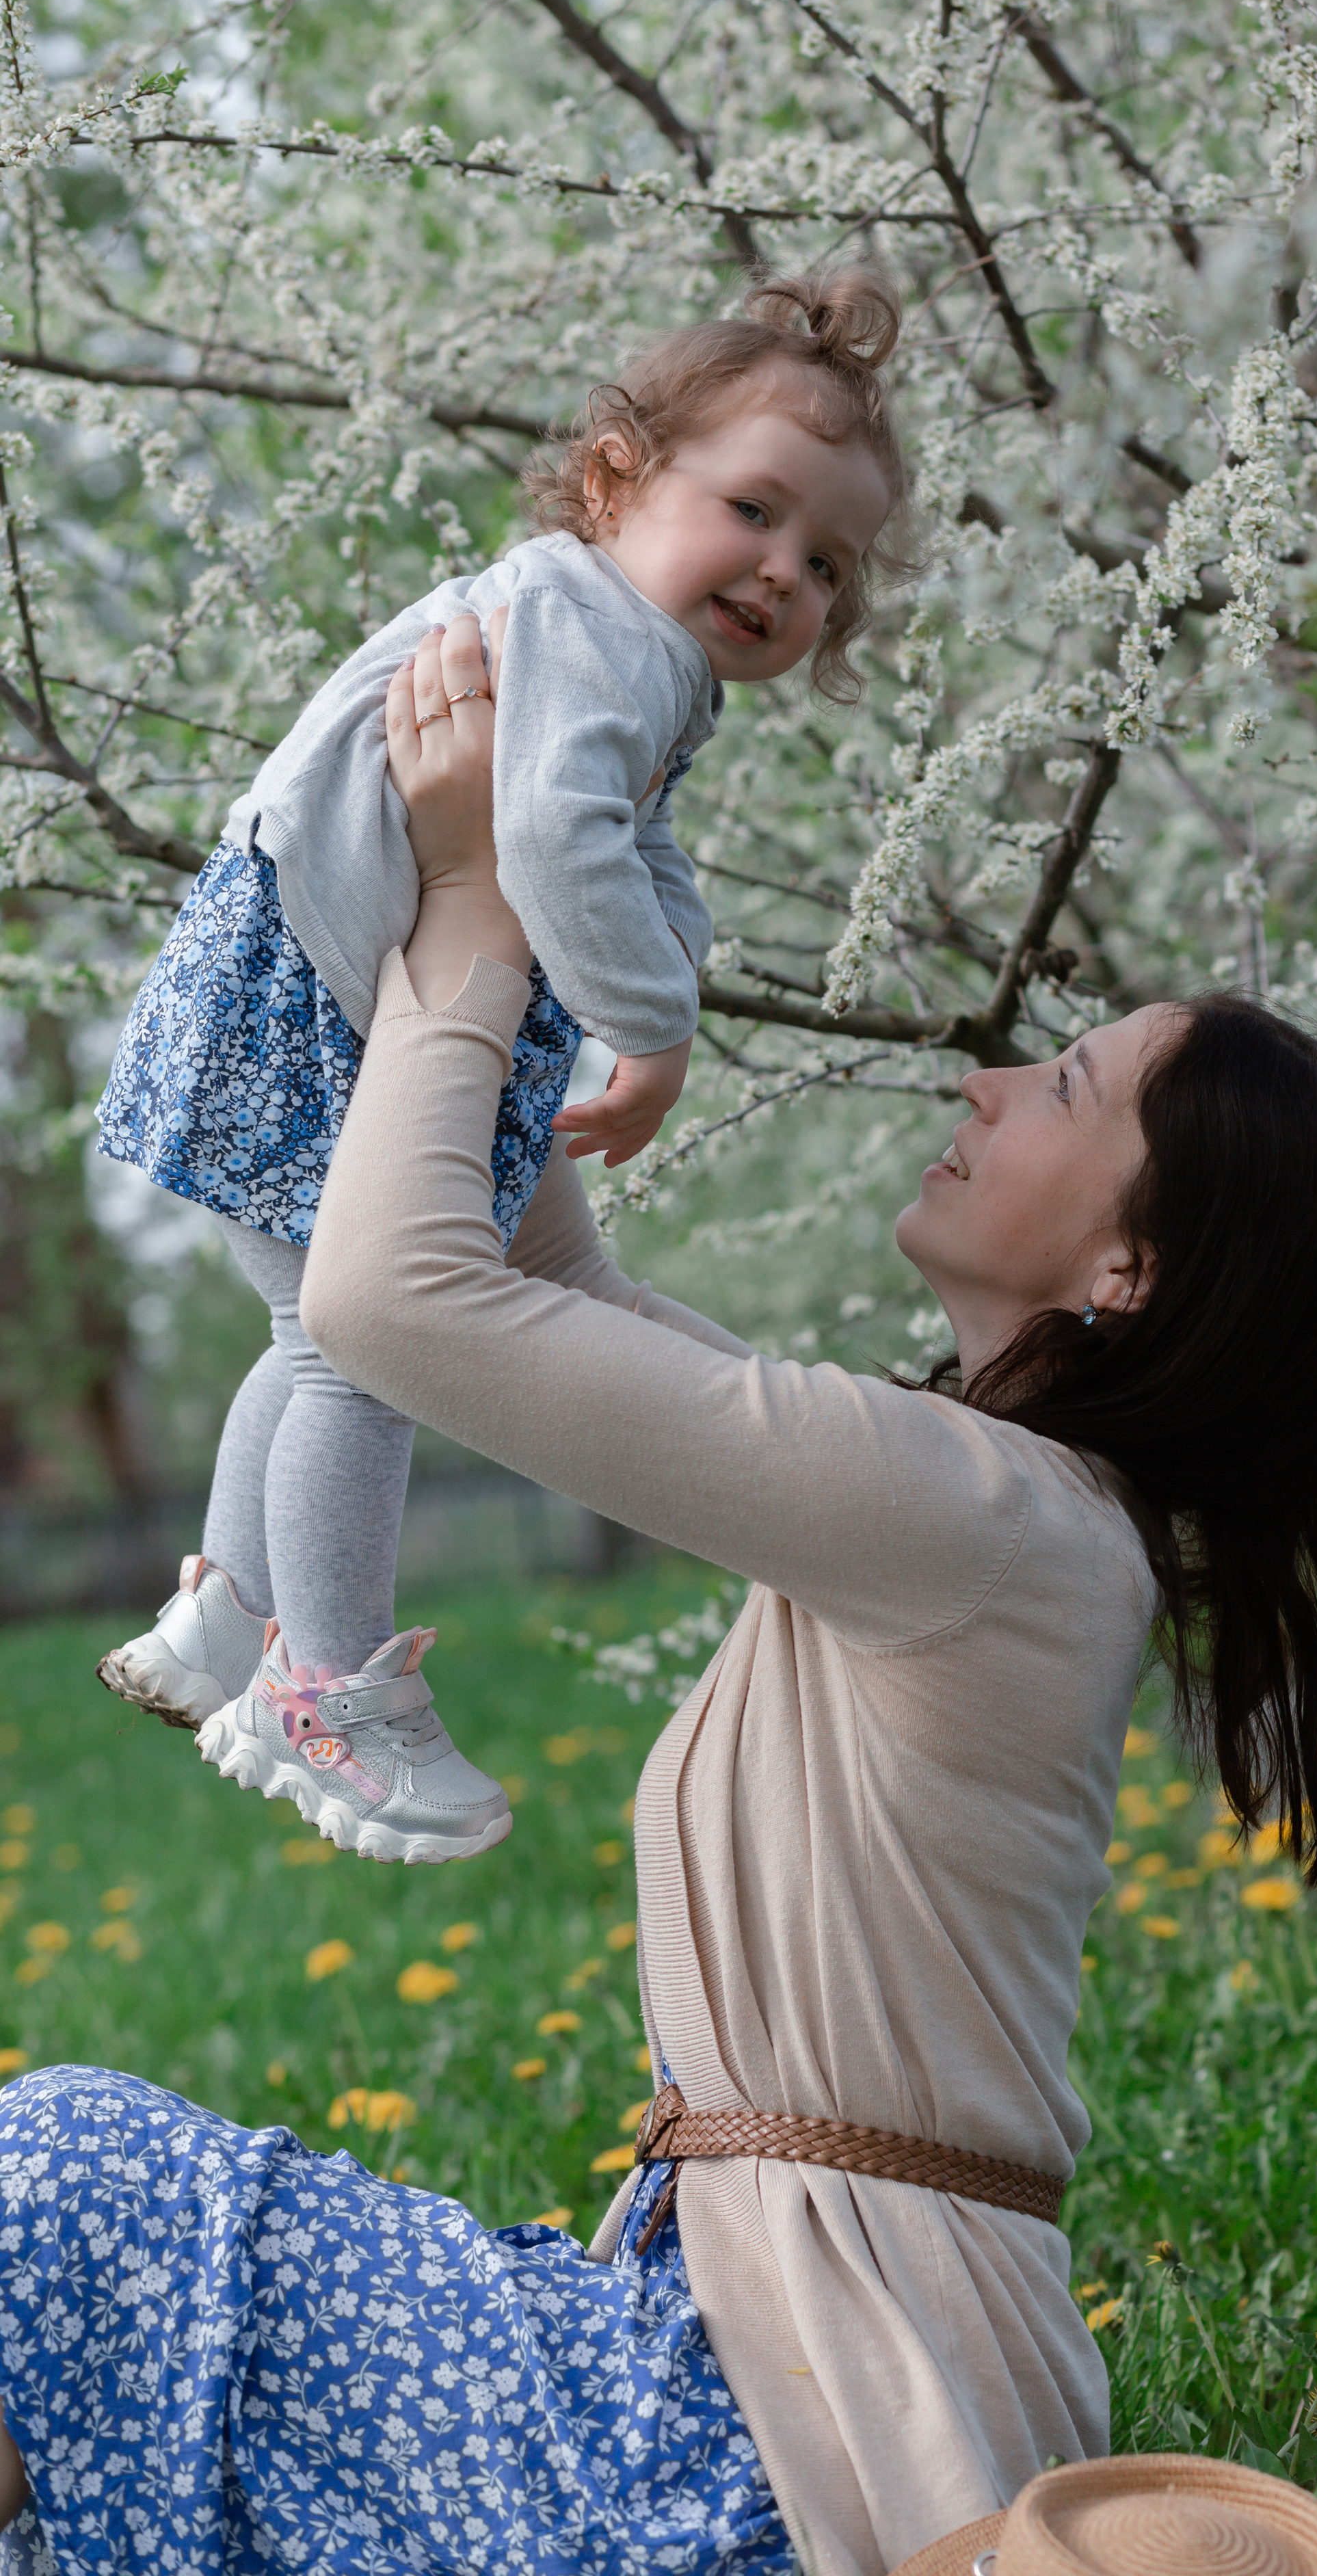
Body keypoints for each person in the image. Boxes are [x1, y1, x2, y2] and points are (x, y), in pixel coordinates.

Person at [0, 618, 1317, 2575]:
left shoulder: (982, 1516)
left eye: (1068, 1088)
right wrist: (496, 898)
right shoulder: (982, 1500)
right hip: (748, 2368)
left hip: (778, 2431)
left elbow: (389, 1305)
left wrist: (472, 903)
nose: (990, 1074)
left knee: (61, 2185)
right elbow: (550, 1298)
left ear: (1131, 1269)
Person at [89, 267, 905, 1867]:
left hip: (291, 968)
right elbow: (541, 836)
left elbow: (634, 855)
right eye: (751, 510)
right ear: (616, 481)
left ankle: (227, 1621)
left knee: (306, 1323)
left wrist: (664, 1006)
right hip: (324, 991)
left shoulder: (608, 638)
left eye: (826, 564)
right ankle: (325, 1687)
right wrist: (653, 1027)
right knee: (366, 1343)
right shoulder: (595, 633)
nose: (782, 573)